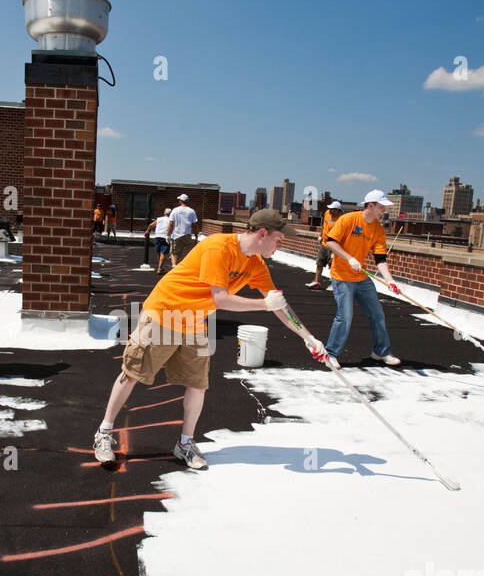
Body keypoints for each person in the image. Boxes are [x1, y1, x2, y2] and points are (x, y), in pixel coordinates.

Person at [93, 209, 331, 469]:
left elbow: (279, 306)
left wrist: (308, 338)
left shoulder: (256, 264)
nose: (280, 245)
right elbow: (221, 299)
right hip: (164, 312)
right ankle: (104, 433)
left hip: (195, 322)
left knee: (198, 384)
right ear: (263, 233)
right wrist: (263, 305)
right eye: (278, 239)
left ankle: (185, 444)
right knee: (132, 373)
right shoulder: (219, 247)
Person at [323, 189, 404, 366]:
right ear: (370, 205)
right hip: (342, 276)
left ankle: (381, 352)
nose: (384, 211)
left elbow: (380, 259)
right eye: (381, 207)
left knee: (377, 314)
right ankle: (330, 354)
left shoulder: (378, 230)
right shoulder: (348, 219)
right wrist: (349, 258)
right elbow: (330, 241)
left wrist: (390, 280)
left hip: (361, 278)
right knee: (345, 316)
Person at [306, 200, 344, 289]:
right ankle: (316, 281)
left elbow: (342, 235)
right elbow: (324, 225)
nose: (330, 210)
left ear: (337, 210)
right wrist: (320, 235)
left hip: (334, 245)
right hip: (324, 243)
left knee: (333, 266)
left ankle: (334, 284)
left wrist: (336, 251)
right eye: (330, 208)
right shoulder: (327, 213)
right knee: (320, 262)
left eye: (332, 209)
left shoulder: (341, 220)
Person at [168, 193, 198, 264]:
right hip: (187, 235)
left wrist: (167, 235)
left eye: (179, 200)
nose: (178, 201)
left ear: (181, 201)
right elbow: (194, 225)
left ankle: (174, 266)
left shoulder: (175, 210)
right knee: (186, 253)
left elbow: (171, 223)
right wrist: (196, 235)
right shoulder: (192, 211)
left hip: (176, 235)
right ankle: (182, 267)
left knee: (174, 253)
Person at [147, 207, 174, 274]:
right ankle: (160, 268)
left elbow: (151, 225)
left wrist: (147, 231)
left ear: (164, 213)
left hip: (157, 236)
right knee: (163, 253)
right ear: (170, 214)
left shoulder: (159, 219)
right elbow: (172, 228)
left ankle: (160, 266)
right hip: (165, 237)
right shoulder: (171, 220)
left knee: (158, 252)